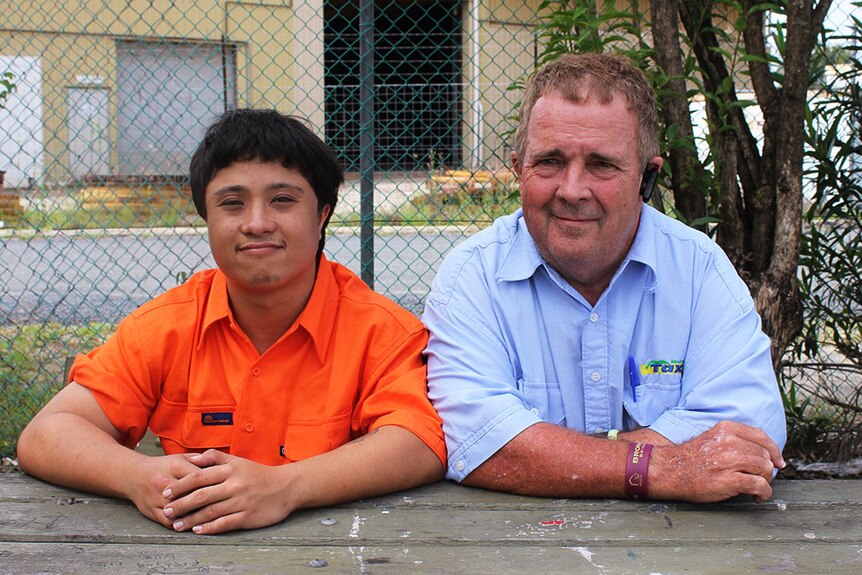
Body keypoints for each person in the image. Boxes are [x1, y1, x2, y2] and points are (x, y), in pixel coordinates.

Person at [17, 108, 446, 534]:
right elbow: (46, 435)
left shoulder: (381, 331)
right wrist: (137, 477)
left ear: (321, 217)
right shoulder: (163, 327)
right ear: (207, 219)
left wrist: (285, 488)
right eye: (232, 203)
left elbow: (420, 443)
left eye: (282, 200)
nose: (257, 223)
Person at [422, 52, 786, 503]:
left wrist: (547, 454)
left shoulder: (699, 271)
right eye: (550, 161)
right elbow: (476, 443)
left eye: (602, 165)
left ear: (646, 178)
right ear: (518, 169)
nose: (572, 190)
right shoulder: (471, 277)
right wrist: (668, 467)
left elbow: (750, 435)